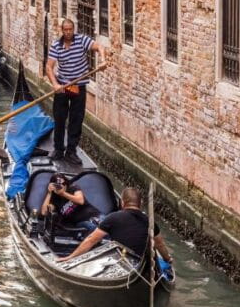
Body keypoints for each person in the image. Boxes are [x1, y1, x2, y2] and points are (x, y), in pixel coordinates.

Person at [45, 18, 107, 166]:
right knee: (59, 119)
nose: (68, 32)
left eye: (70, 30)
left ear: (73, 29)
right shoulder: (56, 46)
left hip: (79, 86)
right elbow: (49, 67)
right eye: (65, 30)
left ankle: (71, 151)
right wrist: (54, 84)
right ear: (62, 30)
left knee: (76, 120)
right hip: (62, 86)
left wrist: (103, 60)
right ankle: (58, 149)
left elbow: (99, 47)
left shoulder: (81, 40)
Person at [58, 187, 173, 263]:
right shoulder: (150, 221)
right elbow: (160, 244)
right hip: (142, 261)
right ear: (140, 203)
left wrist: (71, 257)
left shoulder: (112, 218)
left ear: (122, 202)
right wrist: (167, 259)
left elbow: (91, 240)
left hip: (122, 261)